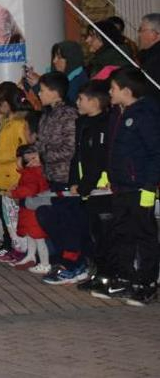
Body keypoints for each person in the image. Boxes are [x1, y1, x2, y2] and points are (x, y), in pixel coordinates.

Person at [93, 67, 160, 306]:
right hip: (121, 187)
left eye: (113, 88)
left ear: (127, 91)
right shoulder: (119, 114)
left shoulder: (145, 114)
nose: (109, 92)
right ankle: (126, 278)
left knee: (144, 235)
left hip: (141, 188)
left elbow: (155, 152)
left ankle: (147, 283)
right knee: (122, 233)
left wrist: (149, 187)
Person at [33, 72, 88, 285]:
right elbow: (41, 143)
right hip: (52, 178)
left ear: (55, 92)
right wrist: (30, 154)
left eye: (44, 89)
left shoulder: (68, 115)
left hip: (68, 178)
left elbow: (69, 148)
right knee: (54, 219)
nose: (40, 93)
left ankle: (74, 264)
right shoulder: (47, 114)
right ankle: (65, 261)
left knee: (70, 222)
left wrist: (43, 156)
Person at [68, 81, 113, 292]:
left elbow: (99, 159)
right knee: (92, 232)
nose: (78, 102)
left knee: (104, 234)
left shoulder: (106, 124)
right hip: (87, 188)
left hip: (102, 189)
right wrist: (74, 181)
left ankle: (107, 276)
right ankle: (97, 272)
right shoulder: (83, 123)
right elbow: (78, 156)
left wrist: (86, 185)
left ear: (94, 102)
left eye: (81, 99)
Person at [0, 82, 30, 262]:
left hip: (14, 176)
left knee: (17, 216)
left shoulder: (19, 123)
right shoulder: (6, 122)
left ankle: (23, 249)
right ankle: (15, 247)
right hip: (2, 176)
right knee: (8, 217)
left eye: (1, 100)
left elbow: (18, 149)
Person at [4, 145, 50, 273]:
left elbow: (30, 189)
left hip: (33, 208)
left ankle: (45, 263)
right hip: (31, 208)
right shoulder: (34, 171)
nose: (32, 161)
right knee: (31, 235)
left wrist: (14, 193)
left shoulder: (32, 172)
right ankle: (31, 256)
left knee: (38, 238)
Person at [137, 13, 160, 103]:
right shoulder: (148, 55)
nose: (139, 34)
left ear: (155, 34)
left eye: (141, 30)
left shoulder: (155, 59)